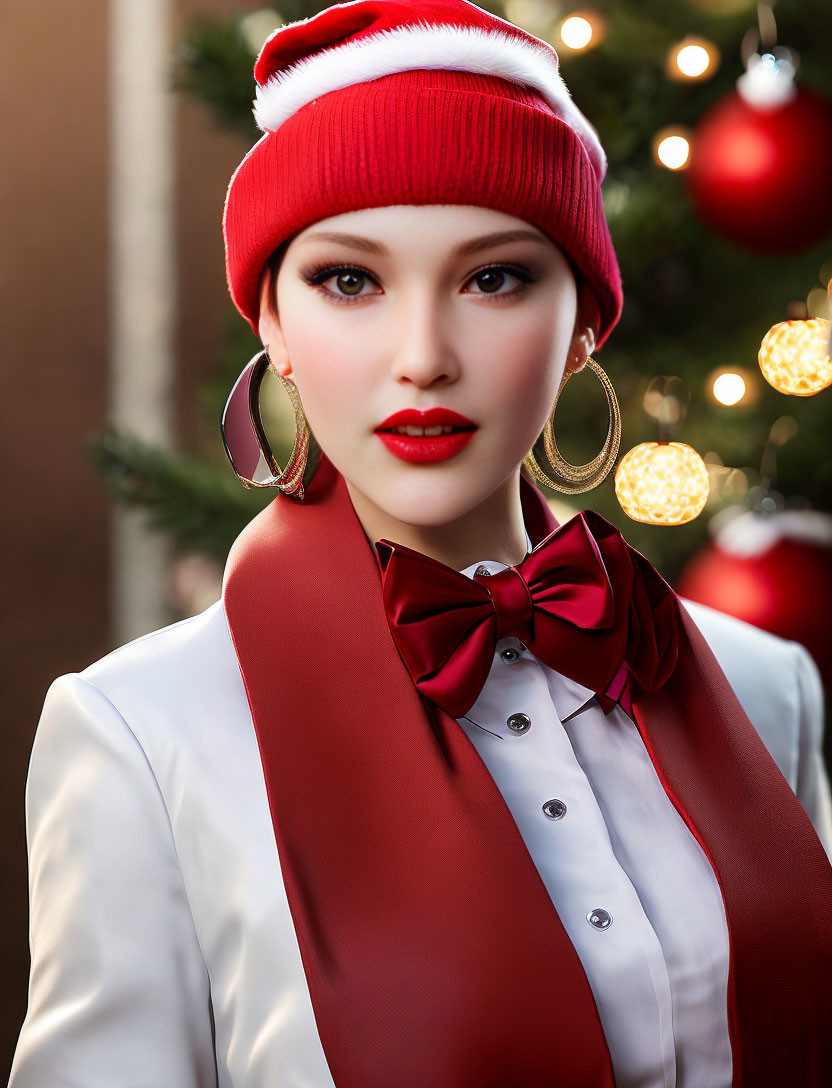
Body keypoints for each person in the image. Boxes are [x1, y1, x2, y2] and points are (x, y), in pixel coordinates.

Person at [10, 1, 832, 1086]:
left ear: (584, 317)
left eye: (494, 277)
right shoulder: (138, 737)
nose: (423, 356)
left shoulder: (765, 687)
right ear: (272, 322)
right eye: (349, 280)